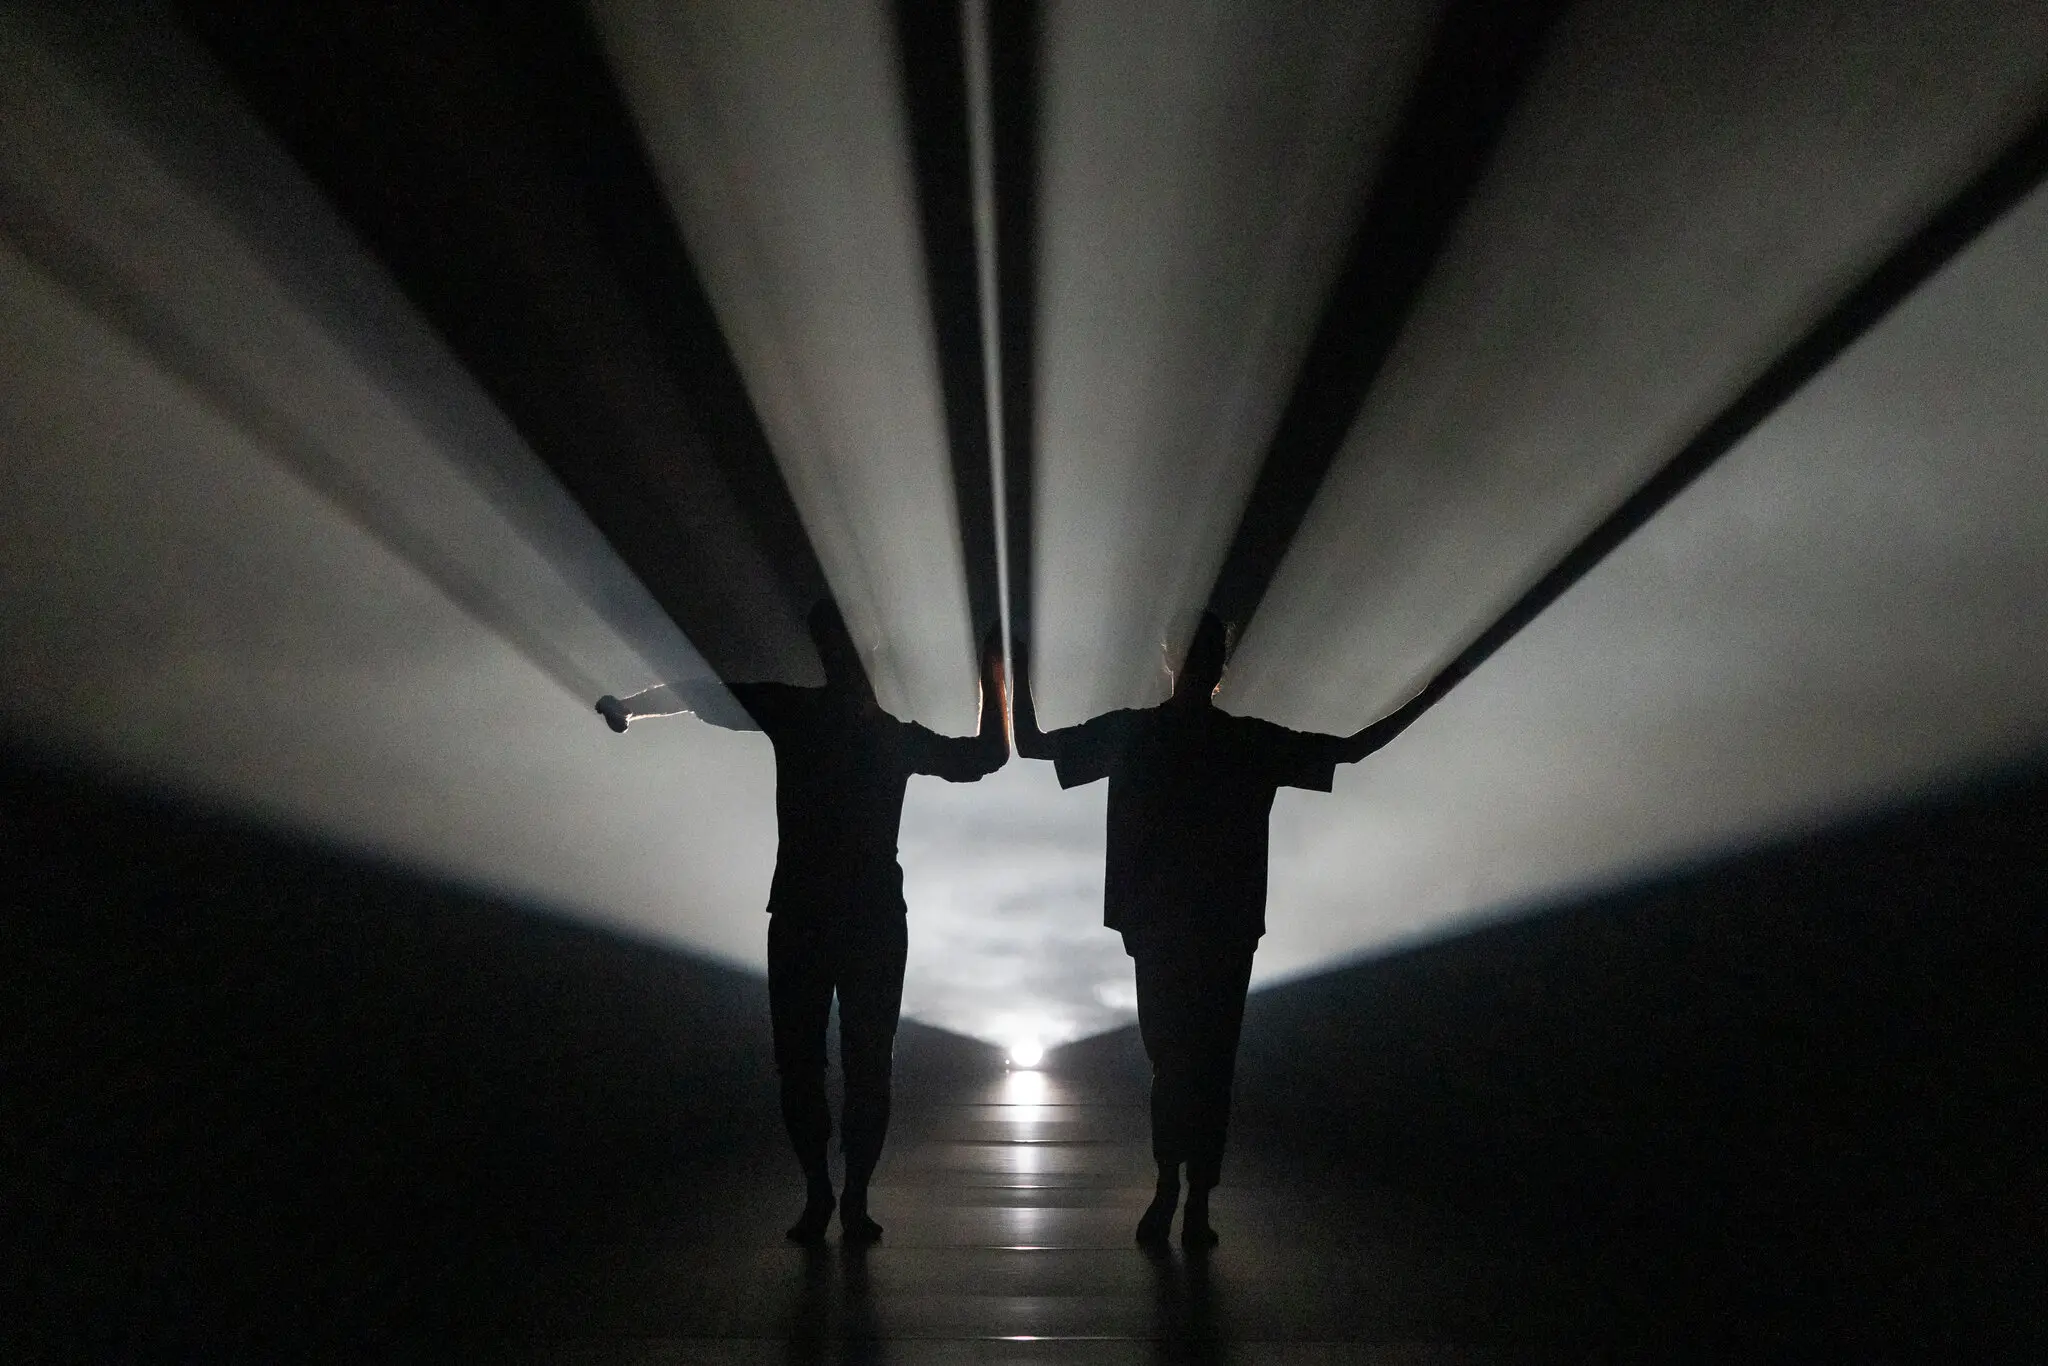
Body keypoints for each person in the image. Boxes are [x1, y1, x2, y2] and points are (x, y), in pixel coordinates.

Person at [1013, 611, 1445, 1249]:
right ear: (1221, 668)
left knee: (1174, 1062)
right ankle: (1190, 1205)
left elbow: (1033, 742)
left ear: (1170, 659)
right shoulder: (1244, 741)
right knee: (1209, 1064)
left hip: (1163, 926)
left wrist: (1008, 671)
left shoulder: (1139, 734)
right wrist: (1432, 692)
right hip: (1220, 928)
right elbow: (1349, 750)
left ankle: (1172, 1195)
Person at [599, 601, 1008, 1242]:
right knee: (849, 1065)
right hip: (858, 917)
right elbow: (984, 757)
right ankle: (841, 1199)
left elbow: (698, 694)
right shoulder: (881, 735)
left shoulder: (805, 716)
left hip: (809, 915)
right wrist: (993, 677)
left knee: (817, 1064)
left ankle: (829, 1195)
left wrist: (629, 706)